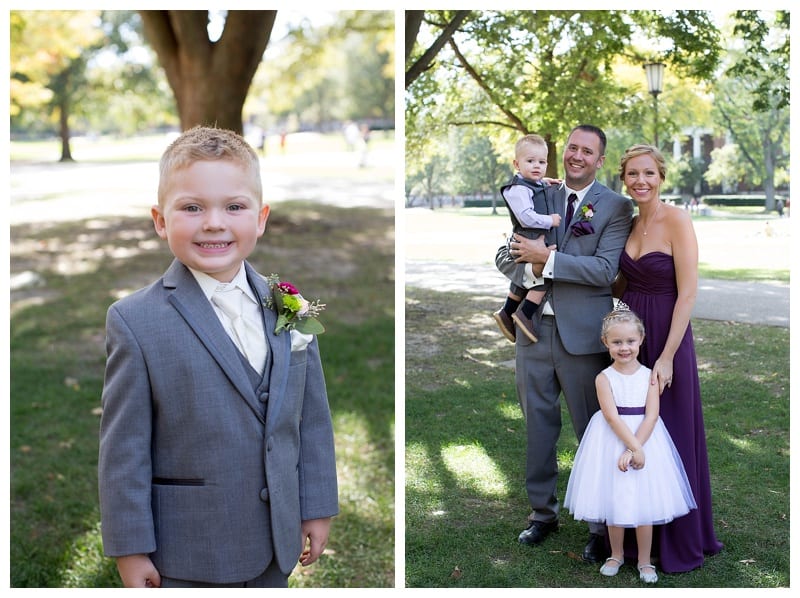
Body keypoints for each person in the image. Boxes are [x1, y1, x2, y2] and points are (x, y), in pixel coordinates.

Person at [97, 126, 339, 588]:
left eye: (234, 206)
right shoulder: (135, 320)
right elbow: (123, 450)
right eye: (192, 207)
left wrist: (317, 504)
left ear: (261, 217)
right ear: (160, 220)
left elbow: (312, 419)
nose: (214, 222)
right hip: (187, 551)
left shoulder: (290, 306)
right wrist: (130, 549)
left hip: (275, 542)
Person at [498, 124, 633, 562]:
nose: (576, 156)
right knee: (538, 427)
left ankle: (598, 523)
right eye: (572, 147)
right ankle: (542, 514)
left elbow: (604, 271)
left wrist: (548, 258)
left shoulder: (615, 206)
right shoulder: (537, 192)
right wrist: (531, 269)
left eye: (586, 151)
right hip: (533, 331)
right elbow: (505, 254)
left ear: (599, 160)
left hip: (585, 336)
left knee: (593, 431)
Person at [614, 143, 723, 573]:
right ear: (624, 179)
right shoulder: (626, 221)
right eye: (632, 175)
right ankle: (639, 530)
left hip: (667, 335)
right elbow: (618, 282)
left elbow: (689, 292)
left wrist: (667, 356)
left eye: (648, 174)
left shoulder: (677, 219)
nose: (640, 181)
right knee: (633, 425)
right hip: (630, 336)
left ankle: (677, 535)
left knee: (671, 431)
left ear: (661, 177)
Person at [564, 307, 697, 584]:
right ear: (606, 343)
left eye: (629, 341)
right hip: (611, 439)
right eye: (617, 342)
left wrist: (635, 449)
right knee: (613, 498)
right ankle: (616, 554)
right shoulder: (603, 378)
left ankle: (645, 560)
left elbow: (652, 414)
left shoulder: (649, 375)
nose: (624, 347)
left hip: (647, 439)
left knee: (645, 502)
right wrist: (631, 448)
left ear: (641, 340)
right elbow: (611, 417)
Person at [492, 133, 562, 343]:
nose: (536, 166)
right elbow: (526, 216)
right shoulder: (517, 189)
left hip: (533, 239)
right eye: (530, 161)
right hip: (528, 239)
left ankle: (507, 311)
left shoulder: (531, 184)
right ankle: (526, 314)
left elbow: (534, 187)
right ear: (516, 164)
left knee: (525, 279)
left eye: (541, 162)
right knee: (544, 276)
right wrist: (550, 220)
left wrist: (544, 182)